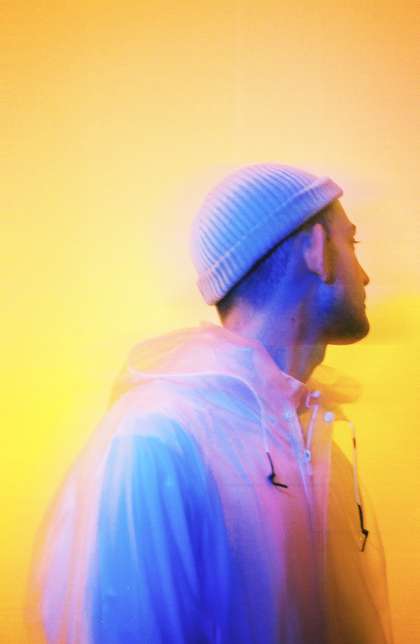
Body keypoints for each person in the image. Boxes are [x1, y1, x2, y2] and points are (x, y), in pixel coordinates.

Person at [32, 164, 393, 643]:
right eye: (352, 242)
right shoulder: (157, 438)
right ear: (317, 249)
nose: (365, 275)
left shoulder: (320, 449)